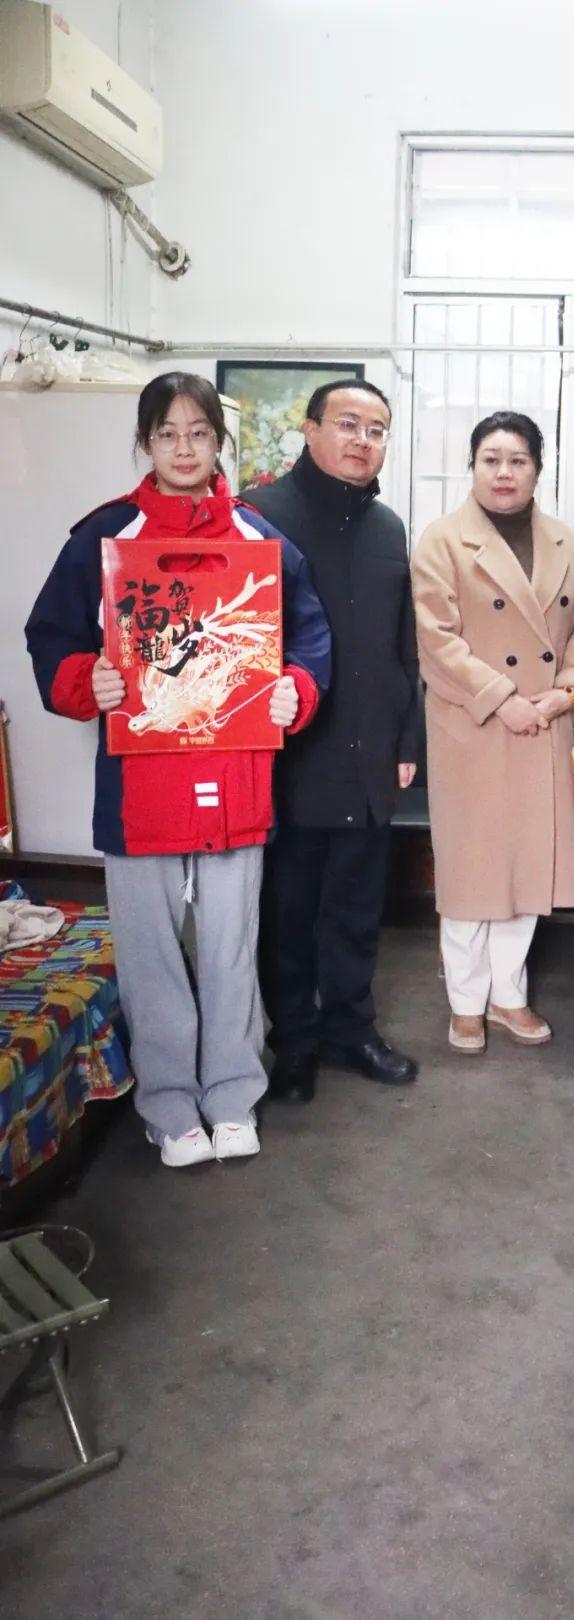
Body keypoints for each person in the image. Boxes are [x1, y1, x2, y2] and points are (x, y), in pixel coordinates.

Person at [25, 372, 330, 1167]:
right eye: (167, 434)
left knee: (231, 946)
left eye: (198, 433)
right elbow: (50, 635)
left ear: (218, 443)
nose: (184, 449)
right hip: (141, 785)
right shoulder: (105, 536)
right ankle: (168, 1105)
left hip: (236, 776)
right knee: (151, 951)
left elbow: (309, 637)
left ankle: (232, 1095)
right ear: (146, 442)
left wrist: (294, 691)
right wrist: (83, 679)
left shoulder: (261, 539)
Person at [244, 379, 420, 1102]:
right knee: (287, 910)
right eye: (348, 424)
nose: (362, 440)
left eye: (376, 430)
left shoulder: (388, 529)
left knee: (356, 906)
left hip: (370, 750)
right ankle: (294, 1042)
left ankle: (352, 1029)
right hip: (292, 752)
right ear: (310, 430)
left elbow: (404, 646)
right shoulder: (258, 516)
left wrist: (408, 741)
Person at [411, 411, 574, 1052]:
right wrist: (502, 699)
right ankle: (465, 1001)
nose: (503, 472)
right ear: (472, 466)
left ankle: (508, 997)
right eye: (490, 459)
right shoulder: (442, 541)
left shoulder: (563, 542)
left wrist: (568, 690)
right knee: (472, 872)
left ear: (538, 470)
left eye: (517, 460)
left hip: (544, 723)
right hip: (473, 726)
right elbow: (436, 641)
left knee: (526, 869)